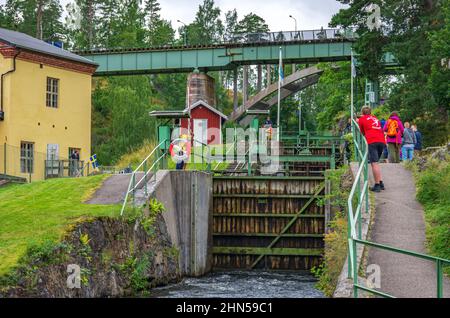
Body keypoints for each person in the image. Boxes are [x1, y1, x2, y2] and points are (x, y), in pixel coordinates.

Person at [358, 105, 386, 192]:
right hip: (381, 140)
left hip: (372, 141)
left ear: (362, 113)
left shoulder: (362, 119)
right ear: (370, 112)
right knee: (376, 163)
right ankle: (381, 182)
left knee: (374, 163)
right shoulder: (375, 118)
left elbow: (362, 132)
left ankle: (377, 185)